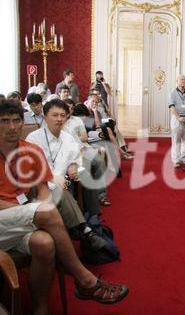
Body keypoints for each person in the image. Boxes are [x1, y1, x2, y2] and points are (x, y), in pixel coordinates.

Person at [0, 100, 128, 314]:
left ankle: (40, 309)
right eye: (5, 121)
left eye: (16, 121)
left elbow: (42, 190)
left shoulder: (30, 150)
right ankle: (85, 279)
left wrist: (41, 209)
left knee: (46, 242)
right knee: (47, 210)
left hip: (22, 216)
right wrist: (37, 214)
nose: (12, 127)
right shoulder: (37, 139)